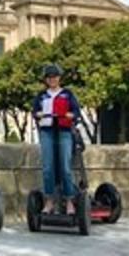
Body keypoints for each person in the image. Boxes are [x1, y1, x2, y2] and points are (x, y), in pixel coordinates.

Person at [32, 64, 81, 215]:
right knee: (48, 168)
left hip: (64, 131)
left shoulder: (67, 94)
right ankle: (49, 200)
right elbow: (34, 111)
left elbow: (76, 112)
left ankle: (69, 201)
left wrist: (71, 115)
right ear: (46, 80)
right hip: (47, 131)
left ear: (59, 78)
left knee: (65, 168)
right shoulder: (42, 95)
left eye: (55, 77)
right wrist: (38, 114)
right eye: (49, 77)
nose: (52, 79)